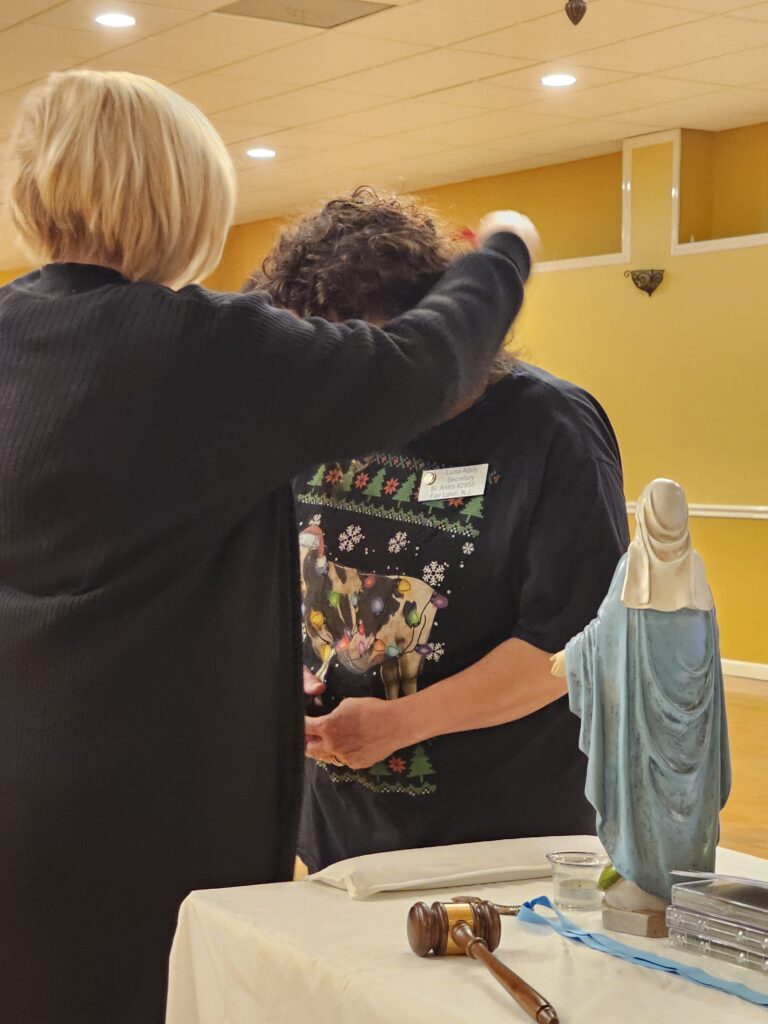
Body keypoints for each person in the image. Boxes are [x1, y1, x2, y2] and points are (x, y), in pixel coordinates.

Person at [0, 72, 535, 1024]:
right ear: (184, 198)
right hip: (151, 818)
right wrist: (502, 254)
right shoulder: (201, 350)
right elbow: (424, 366)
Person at [247, 187, 629, 873]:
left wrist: (400, 724)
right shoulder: (319, 415)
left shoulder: (553, 428)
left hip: (501, 838)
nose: (358, 391)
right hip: (338, 830)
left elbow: (571, 646)